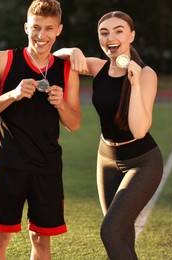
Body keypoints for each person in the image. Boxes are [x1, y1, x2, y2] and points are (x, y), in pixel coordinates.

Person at [0, 0, 81, 259]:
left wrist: (61, 104)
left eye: (48, 28)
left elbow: (74, 123)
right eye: (35, 27)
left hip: (47, 166)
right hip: (8, 163)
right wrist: (12, 94)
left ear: (59, 30)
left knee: (41, 241)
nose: (41, 35)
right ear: (26, 27)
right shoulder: (3, 59)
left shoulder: (66, 70)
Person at [55, 11, 163, 260]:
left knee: (110, 232)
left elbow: (139, 129)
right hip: (106, 159)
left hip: (142, 162)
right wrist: (73, 51)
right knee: (123, 237)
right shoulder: (100, 67)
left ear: (131, 36)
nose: (110, 37)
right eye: (104, 32)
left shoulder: (146, 75)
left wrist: (134, 85)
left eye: (118, 31)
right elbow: (55, 57)